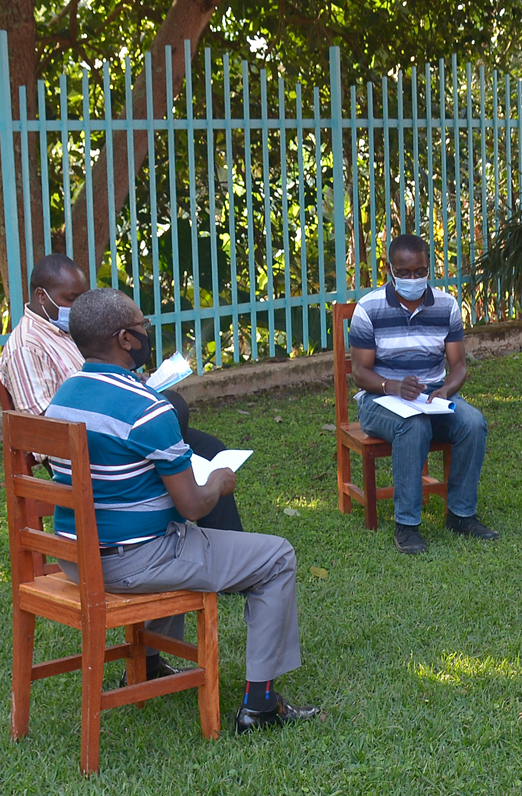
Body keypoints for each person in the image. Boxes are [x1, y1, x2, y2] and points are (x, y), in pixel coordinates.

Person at [45, 288, 319, 734]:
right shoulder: (147, 407)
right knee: (276, 557)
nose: (146, 330)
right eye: (142, 324)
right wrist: (217, 481)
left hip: (77, 557)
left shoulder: (64, 397)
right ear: (125, 339)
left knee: (172, 532)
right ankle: (260, 704)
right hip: (132, 561)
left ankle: (149, 663)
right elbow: (193, 506)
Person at [0, 253, 243, 532]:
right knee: (172, 415)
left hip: (121, 427)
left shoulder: (66, 330)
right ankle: (176, 541)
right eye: (70, 299)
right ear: (42, 296)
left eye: (82, 298)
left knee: (211, 453)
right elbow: (44, 432)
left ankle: (218, 546)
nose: (78, 307)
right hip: (94, 453)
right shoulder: (26, 347)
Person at [348, 233, 495, 554]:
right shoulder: (369, 308)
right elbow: (360, 372)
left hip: (433, 398)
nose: (413, 279)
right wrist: (393, 386)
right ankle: (407, 525)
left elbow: (458, 366)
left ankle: (461, 514)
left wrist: (446, 390)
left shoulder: (446, 305)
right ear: (389, 269)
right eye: (404, 273)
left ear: (429, 268)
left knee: (473, 422)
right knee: (413, 425)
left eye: (420, 272)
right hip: (380, 399)